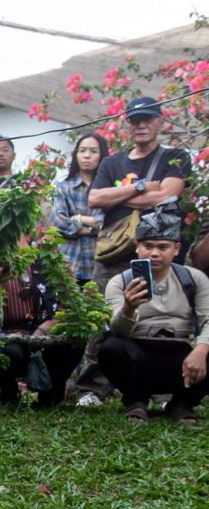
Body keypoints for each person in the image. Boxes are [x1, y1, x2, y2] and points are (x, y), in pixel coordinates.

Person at [76, 97, 191, 407]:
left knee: (160, 316)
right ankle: (91, 388)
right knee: (101, 318)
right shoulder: (112, 162)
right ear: (127, 124)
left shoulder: (176, 156)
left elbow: (168, 195)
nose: (141, 125)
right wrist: (142, 188)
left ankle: (165, 391)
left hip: (156, 251)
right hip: (114, 252)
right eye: (135, 120)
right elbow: (95, 199)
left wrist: (119, 196)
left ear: (160, 122)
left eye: (147, 119)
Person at [99, 204, 209, 423]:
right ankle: (135, 401)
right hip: (137, 354)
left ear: (176, 249)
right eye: (148, 246)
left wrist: (201, 349)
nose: (155, 253)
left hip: (179, 353)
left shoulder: (194, 279)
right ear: (137, 247)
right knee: (110, 348)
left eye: (163, 246)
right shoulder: (119, 282)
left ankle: (181, 404)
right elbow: (117, 329)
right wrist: (129, 308)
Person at [0, 262, 82, 408]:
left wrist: (45, 328)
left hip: (49, 329)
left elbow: (69, 305)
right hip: (9, 333)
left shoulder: (50, 258)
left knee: (73, 343)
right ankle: (9, 393)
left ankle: (51, 397)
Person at [49, 133, 109, 286]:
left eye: (93, 151)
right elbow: (59, 223)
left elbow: (106, 223)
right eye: (82, 151)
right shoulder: (63, 188)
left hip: (100, 265)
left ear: (102, 155)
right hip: (70, 265)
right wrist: (93, 228)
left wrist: (77, 218)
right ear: (76, 155)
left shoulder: (108, 190)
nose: (87, 156)